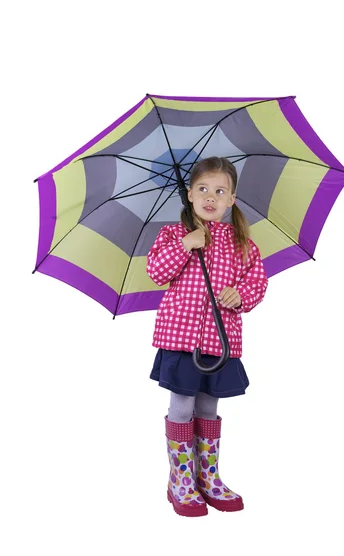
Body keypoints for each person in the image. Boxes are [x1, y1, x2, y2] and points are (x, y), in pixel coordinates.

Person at [146, 156, 268, 517]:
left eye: (219, 191)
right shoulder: (173, 234)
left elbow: (257, 280)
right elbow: (155, 271)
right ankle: (181, 480)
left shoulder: (241, 241)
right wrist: (187, 244)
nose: (210, 196)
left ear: (231, 199)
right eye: (202, 189)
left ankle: (208, 477)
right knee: (181, 406)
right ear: (190, 194)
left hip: (219, 341)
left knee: (208, 408)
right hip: (181, 341)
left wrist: (241, 294)